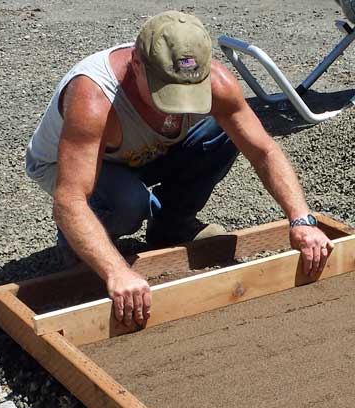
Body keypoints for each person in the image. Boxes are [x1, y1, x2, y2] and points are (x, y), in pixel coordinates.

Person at [25, 11, 334, 328]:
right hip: (75, 166)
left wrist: (301, 219)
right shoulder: (93, 98)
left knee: (224, 133)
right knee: (130, 204)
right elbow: (70, 200)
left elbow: (264, 150)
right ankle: (78, 248)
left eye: (188, 91)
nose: (178, 106)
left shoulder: (217, 82)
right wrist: (117, 271)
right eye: (166, 92)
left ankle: (171, 226)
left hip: (143, 152)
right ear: (136, 65)